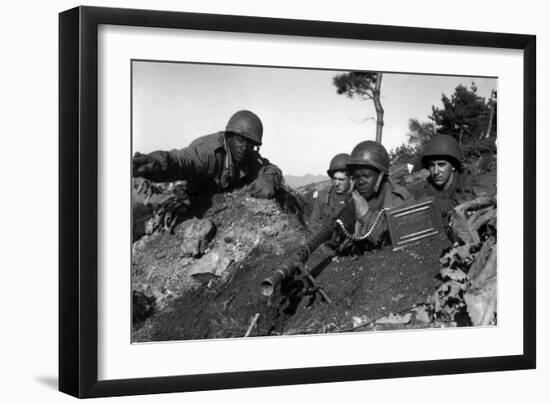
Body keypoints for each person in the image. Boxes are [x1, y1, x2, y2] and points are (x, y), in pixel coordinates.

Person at [132, 110, 283, 235]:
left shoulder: (248, 155)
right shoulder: (208, 151)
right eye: (240, 140)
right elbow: (182, 160)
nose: (245, 147)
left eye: (250, 144)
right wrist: (157, 164)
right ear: (229, 136)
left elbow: (270, 168)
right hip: (189, 198)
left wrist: (268, 178)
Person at [419, 134, 477, 224]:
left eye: (441, 164)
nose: (435, 172)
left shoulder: (467, 180)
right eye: (432, 165)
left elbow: (472, 203)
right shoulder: (426, 188)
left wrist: (435, 206)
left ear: (453, 166)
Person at [308, 153, 352, 233]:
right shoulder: (323, 197)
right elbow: (313, 226)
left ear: (351, 179)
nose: (336, 183)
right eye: (335, 179)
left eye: (341, 179)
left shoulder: (357, 199)